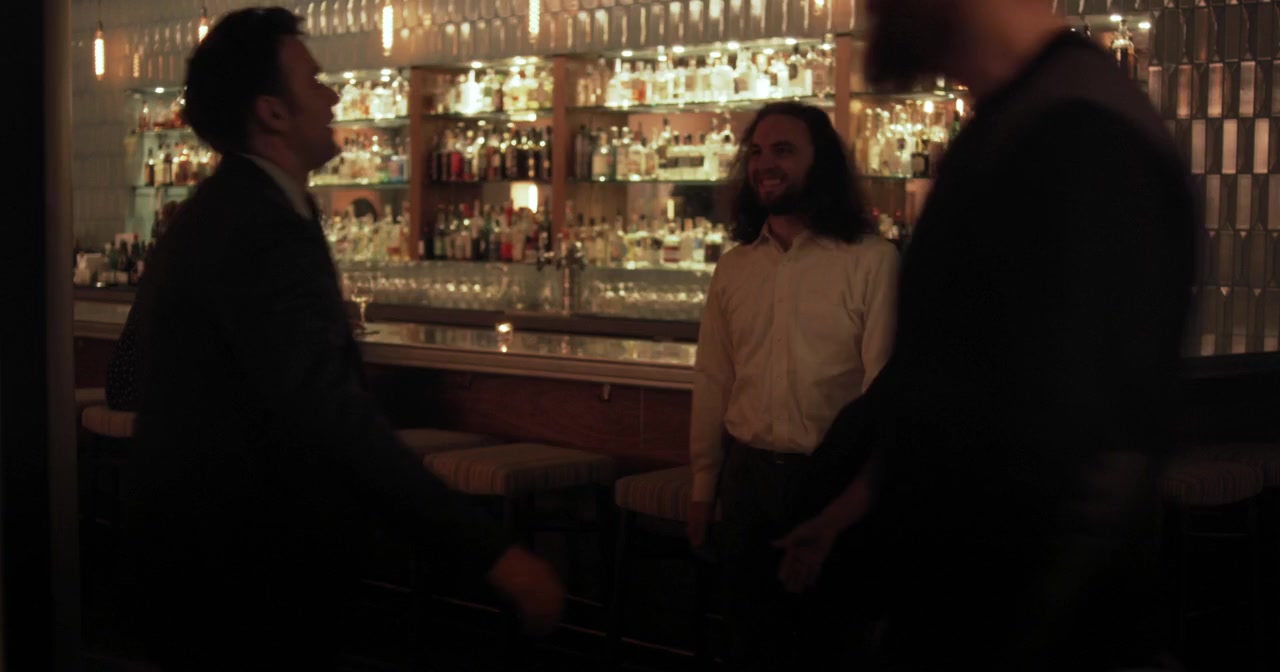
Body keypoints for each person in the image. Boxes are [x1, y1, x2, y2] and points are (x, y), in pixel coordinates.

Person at [122, 8, 563, 669]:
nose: (332, 97)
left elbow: (153, 374)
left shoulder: (226, 210)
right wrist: (494, 556)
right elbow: (326, 414)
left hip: (206, 561)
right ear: (273, 112)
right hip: (244, 575)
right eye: (315, 81)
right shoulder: (258, 224)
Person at [773, 1, 1195, 670]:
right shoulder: (1021, 116)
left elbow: (1085, 455)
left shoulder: (1080, 134)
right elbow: (956, 378)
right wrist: (857, 507)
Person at [686, 101, 899, 670]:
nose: (764, 165)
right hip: (748, 481)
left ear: (820, 162)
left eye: (783, 150)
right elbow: (713, 380)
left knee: (829, 648)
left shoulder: (872, 262)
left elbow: (885, 396)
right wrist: (703, 486)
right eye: (756, 152)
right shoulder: (734, 268)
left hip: (831, 482)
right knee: (750, 647)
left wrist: (862, 501)